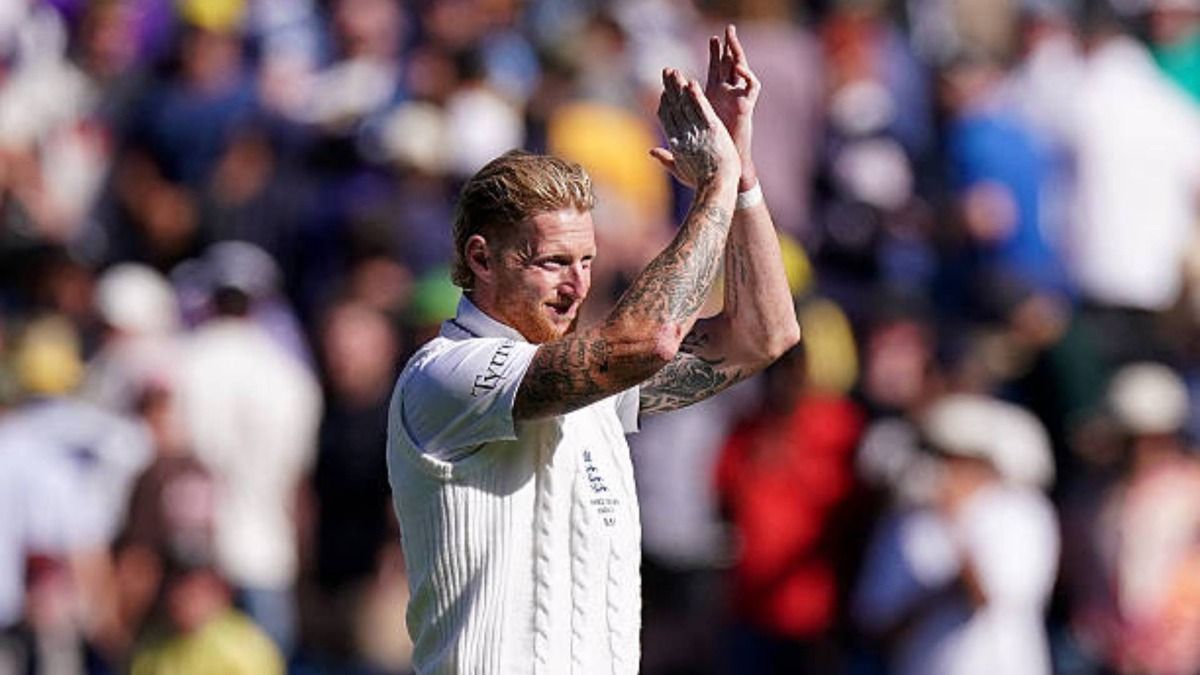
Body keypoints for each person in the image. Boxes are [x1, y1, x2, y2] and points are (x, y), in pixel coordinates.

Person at [386, 25, 799, 674]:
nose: (578, 283)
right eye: (553, 261)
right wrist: (711, 188)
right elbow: (648, 341)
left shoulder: (597, 391)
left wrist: (742, 177)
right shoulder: (444, 374)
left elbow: (763, 334)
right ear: (481, 259)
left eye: (587, 259)